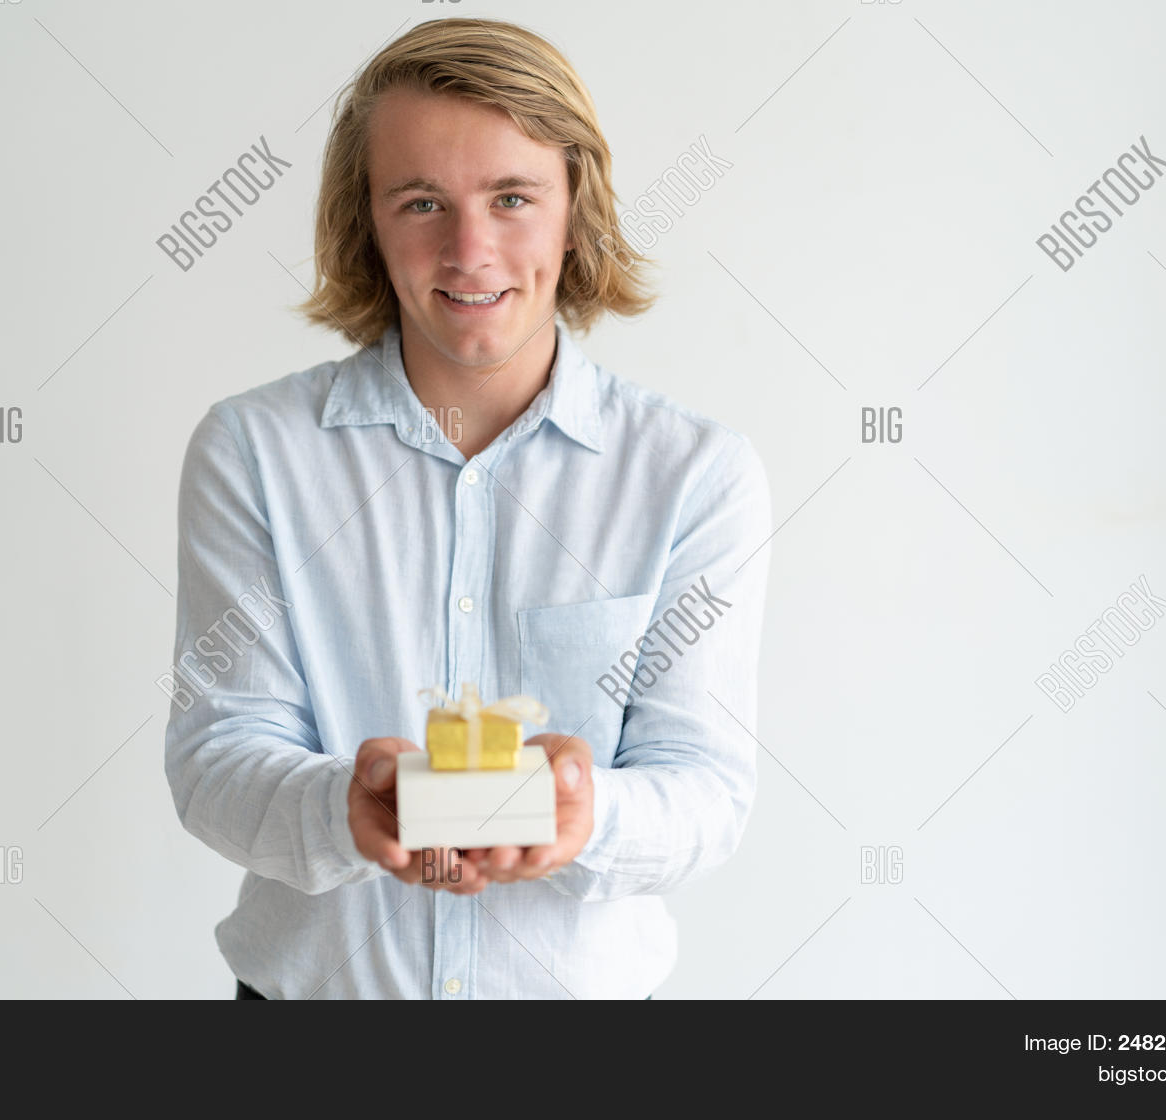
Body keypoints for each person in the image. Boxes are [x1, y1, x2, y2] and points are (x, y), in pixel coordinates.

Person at [163, 17, 772, 999]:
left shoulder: (696, 474)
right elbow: (215, 762)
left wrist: (584, 814)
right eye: (421, 203)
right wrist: (342, 809)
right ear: (366, 223)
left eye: (512, 198)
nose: (470, 250)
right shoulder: (253, 452)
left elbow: (707, 790)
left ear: (575, 212)